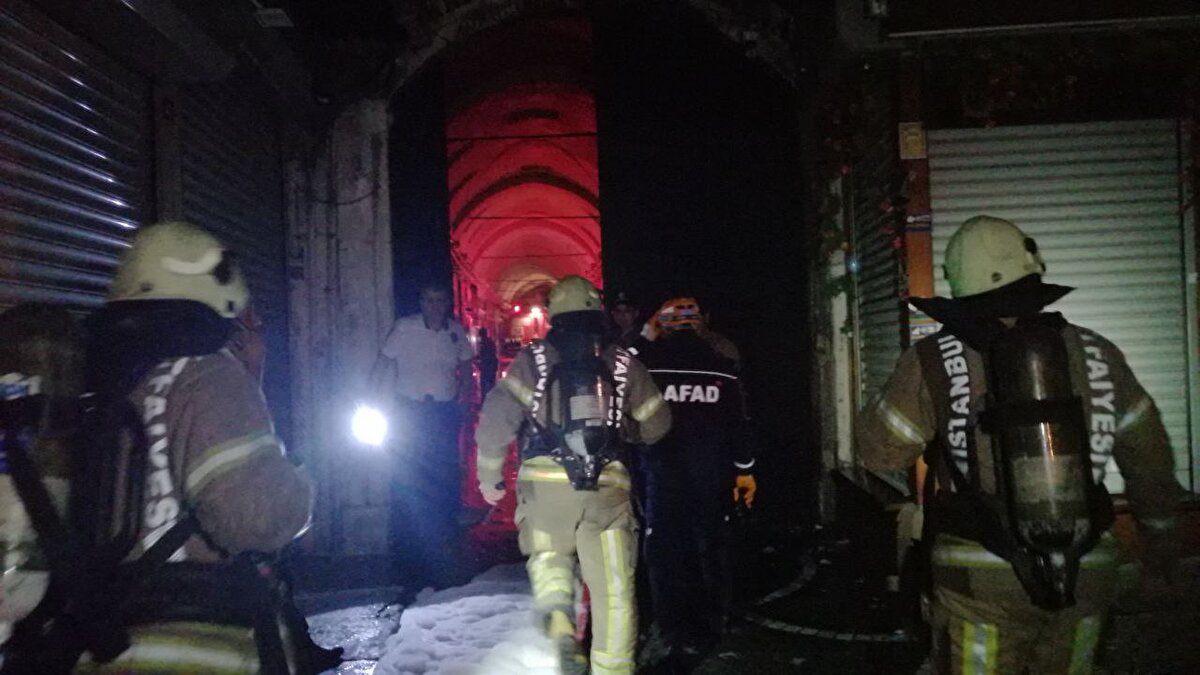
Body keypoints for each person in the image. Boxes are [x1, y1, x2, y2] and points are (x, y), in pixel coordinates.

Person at [856, 215, 1181, 674]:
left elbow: (879, 452)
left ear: (959, 279)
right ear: (1033, 268)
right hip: (1086, 568)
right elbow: (1150, 462)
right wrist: (1161, 547)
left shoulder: (933, 359)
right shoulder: (1098, 351)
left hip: (978, 578)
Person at [2, 221, 313, 673]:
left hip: (98, 647)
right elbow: (254, 518)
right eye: (252, 322)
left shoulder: (104, 383)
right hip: (196, 649)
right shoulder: (209, 376)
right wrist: (299, 483)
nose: (256, 336)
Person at [475, 276, 671, 675]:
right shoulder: (622, 362)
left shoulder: (534, 359)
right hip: (608, 489)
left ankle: (559, 617)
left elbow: (496, 418)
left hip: (546, 487)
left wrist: (489, 476)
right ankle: (612, 670)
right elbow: (658, 424)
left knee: (549, 555)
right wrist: (627, 433)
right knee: (614, 593)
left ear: (554, 315)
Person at [632, 297, 756, 670]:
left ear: (664, 326)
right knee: (712, 548)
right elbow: (739, 423)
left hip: (662, 476)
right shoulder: (723, 367)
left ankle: (670, 627)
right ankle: (713, 624)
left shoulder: (648, 364)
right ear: (699, 324)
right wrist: (745, 470)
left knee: (663, 552)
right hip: (711, 477)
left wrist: (644, 336)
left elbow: (618, 368)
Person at [368, 281, 474, 591]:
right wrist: (371, 399)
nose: (434, 306)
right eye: (429, 300)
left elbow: (467, 368)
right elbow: (383, 363)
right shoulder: (405, 328)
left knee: (443, 475)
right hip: (410, 413)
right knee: (408, 475)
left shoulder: (456, 333)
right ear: (421, 302)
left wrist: (466, 402)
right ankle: (408, 547)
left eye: (440, 300)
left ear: (447, 303)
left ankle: (443, 542)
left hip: (442, 414)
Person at [477, 328, 499, 398]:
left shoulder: (484, 344)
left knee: (484, 385)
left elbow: (485, 357)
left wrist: (480, 363)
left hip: (487, 368)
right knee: (491, 384)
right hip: (491, 367)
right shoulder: (490, 342)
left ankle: (485, 399)